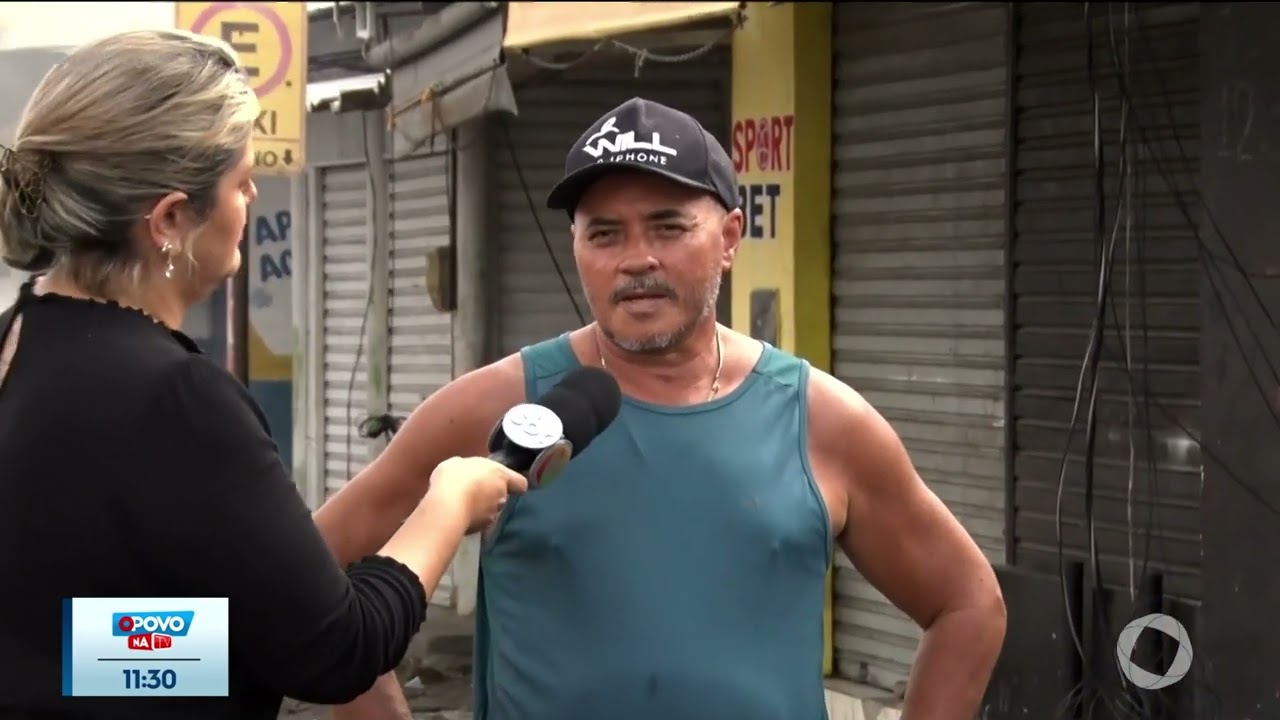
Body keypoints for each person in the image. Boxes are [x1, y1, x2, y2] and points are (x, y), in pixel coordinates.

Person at [320, 97, 1008, 720]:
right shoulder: (495, 407)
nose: (636, 259)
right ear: (577, 247)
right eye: (605, 234)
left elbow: (968, 605)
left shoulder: (824, 422)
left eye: (668, 227)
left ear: (732, 236)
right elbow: (309, 578)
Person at [0, 30, 526, 720]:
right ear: (169, 219)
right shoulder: (176, 397)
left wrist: (256, 633)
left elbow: (71, 646)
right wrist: (449, 501)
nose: (253, 197)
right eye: (241, 180)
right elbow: (340, 651)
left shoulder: (20, 339)